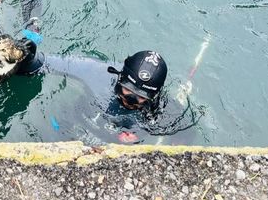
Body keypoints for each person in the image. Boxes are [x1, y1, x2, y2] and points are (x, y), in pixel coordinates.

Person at [42, 50, 202, 144]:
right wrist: (30, 58)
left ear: (154, 95)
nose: (131, 99)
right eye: (128, 88)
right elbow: (46, 63)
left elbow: (186, 135)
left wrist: (139, 135)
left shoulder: (164, 110)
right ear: (120, 77)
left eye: (141, 95)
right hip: (76, 123)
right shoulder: (97, 73)